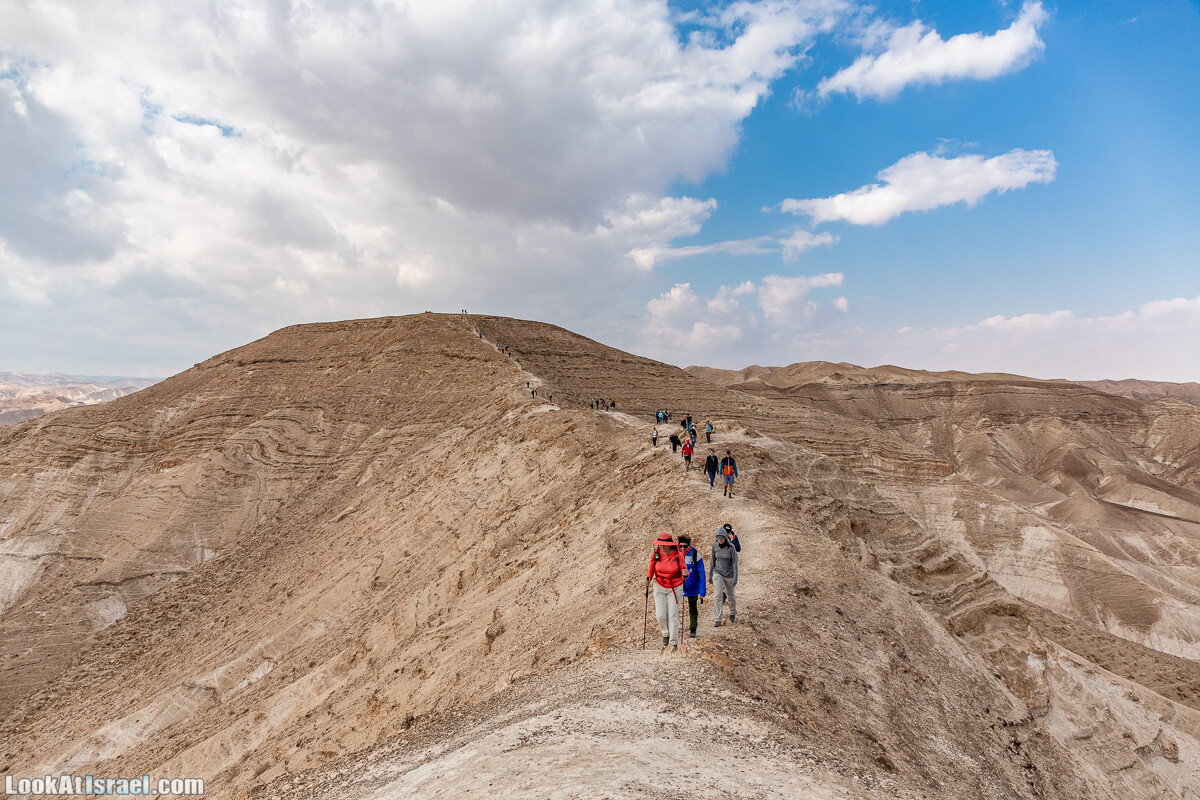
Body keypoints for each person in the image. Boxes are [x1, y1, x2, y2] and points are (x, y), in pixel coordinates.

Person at [647, 532, 688, 650]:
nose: (663, 548)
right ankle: (665, 633)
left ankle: (673, 642)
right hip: (659, 586)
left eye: (665, 545)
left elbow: (684, 569)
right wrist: (648, 579)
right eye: (661, 545)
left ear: (670, 545)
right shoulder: (656, 554)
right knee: (660, 615)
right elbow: (651, 569)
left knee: (673, 615)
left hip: (675, 587)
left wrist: (685, 574)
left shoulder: (677, 555)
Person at [708, 528, 738, 626]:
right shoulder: (715, 546)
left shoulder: (731, 547)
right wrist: (710, 575)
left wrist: (735, 578)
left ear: (725, 538)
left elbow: (734, 563)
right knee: (718, 595)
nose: (719, 540)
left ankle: (732, 612)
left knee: (730, 596)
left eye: (721, 538)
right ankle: (718, 618)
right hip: (718, 572)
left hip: (729, 573)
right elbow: (713, 561)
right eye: (718, 539)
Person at [679, 535, 706, 638]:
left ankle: (693, 628)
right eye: (680, 546)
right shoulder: (676, 554)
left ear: (689, 546)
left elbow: (701, 573)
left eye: (685, 546)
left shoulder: (695, 554)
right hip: (678, 586)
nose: (682, 549)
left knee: (693, 608)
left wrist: (702, 591)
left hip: (692, 587)